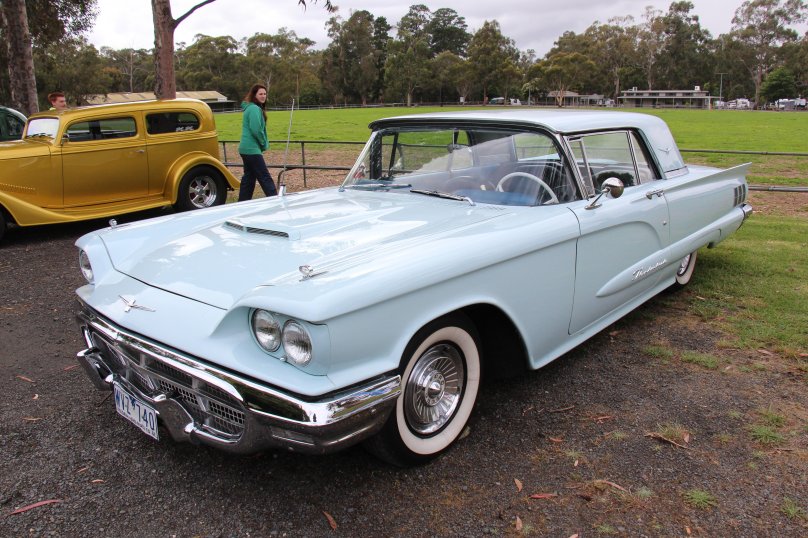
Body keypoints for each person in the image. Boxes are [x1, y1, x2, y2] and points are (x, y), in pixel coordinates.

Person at [238, 83, 277, 201]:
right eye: (260, 94)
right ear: (254, 95)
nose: (263, 96)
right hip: (251, 149)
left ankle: (242, 203)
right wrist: (263, 143)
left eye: (265, 94)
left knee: (249, 178)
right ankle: (275, 201)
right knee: (265, 177)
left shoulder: (250, 108)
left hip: (245, 149)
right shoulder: (254, 109)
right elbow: (256, 129)